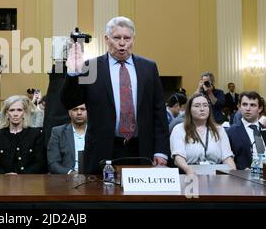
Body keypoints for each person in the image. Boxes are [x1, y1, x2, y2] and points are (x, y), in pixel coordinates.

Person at [62, 16, 169, 174]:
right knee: (101, 196)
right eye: (117, 37)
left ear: (133, 39)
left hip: (141, 149)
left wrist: (161, 150)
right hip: (102, 150)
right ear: (106, 39)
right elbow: (69, 101)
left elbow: (159, 112)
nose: (122, 43)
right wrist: (72, 73)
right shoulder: (91, 67)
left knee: (140, 198)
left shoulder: (149, 68)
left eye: (127, 38)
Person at [170, 93, 236, 175]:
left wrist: (234, 173)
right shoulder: (179, 129)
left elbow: (227, 157)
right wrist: (187, 169)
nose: (202, 109)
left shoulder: (219, 130)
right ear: (189, 109)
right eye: (197, 106)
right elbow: (178, 157)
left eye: (205, 105)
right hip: (188, 174)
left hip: (216, 176)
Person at [0, 95, 45, 174]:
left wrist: (21, 176)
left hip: (29, 182)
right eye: (12, 110)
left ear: (24, 113)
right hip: (3, 182)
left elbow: (40, 164)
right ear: (7, 113)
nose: (15, 114)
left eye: (19, 110)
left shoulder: (35, 134)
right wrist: (5, 175)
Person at [226, 91, 266, 170]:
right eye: (244, 104)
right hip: (243, 178)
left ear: (260, 108)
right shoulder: (230, 132)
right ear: (239, 107)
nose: (248, 108)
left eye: (252, 105)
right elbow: (226, 161)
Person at [47, 104, 87, 174]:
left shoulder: (96, 133)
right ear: (69, 112)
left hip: (91, 177)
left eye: (82, 109)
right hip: (66, 178)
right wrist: (70, 173)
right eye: (75, 109)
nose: (79, 113)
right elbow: (53, 163)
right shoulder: (58, 132)